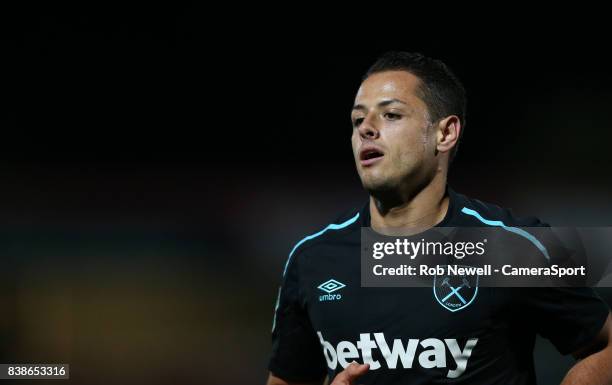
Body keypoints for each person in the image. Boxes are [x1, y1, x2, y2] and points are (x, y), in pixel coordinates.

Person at [265, 51, 612, 385]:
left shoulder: (510, 247)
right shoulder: (312, 258)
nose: (366, 129)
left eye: (391, 115)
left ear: (445, 133)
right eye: (358, 119)